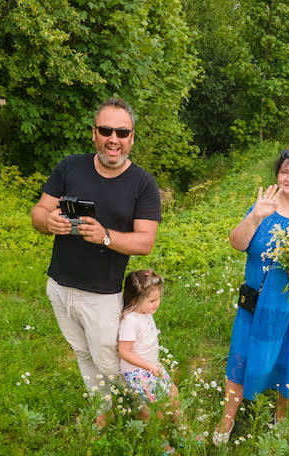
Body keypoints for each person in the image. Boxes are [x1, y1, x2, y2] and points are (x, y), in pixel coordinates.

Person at [31, 98, 162, 426]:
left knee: (108, 361)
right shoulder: (70, 167)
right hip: (59, 286)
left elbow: (145, 242)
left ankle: (147, 415)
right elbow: (38, 212)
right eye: (106, 130)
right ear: (94, 134)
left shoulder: (142, 184)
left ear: (132, 138)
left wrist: (106, 236)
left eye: (122, 132)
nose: (113, 139)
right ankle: (102, 413)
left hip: (102, 294)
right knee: (83, 353)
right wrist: (50, 222)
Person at [213, 141, 289, 446]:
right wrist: (256, 216)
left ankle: (280, 420)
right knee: (241, 357)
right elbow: (237, 243)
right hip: (258, 303)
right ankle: (227, 418)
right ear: (278, 176)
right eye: (285, 171)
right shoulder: (264, 206)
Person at [118, 269, 179, 422]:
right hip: (138, 372)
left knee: (174, 393)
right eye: (152, 301)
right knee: (158, 408)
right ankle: (161, 442)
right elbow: (124, 352)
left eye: (158, 298)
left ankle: (184, 430)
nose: (157, 303)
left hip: (152, 367)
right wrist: (149, 367)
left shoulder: (145, 312)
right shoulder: (130, 321)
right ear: (135, 300)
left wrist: (152, 367)